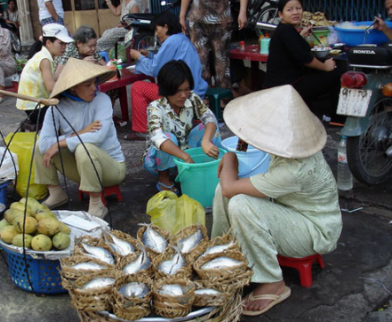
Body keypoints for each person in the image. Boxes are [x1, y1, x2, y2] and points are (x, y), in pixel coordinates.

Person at [212, 85, 342, 316]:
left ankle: (274, 282)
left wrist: (230, 156)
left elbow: (231, 187)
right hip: (289, 208)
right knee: (221, 190)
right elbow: (227, 187)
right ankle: (222, 256)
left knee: (238, 201)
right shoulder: (291, 145)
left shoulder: (295, 170)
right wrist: (244, 138)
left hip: (315, 229)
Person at [35, 58, 126, 217]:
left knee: (85, 149)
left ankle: (97, 204)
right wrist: (77, 134)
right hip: (83, 167)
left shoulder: (102, 100)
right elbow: (44, 143)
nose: (94, 88)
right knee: (38, 146)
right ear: (72, 89)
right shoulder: (56, 107)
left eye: (94, 83)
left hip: (112, 168)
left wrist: (61, 142)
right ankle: (56, 192)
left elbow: (98, 136)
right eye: (87, 85)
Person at [125, 11, 208, 141]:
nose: (157, 34)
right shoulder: (182, 38)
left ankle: (141, 130)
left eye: (157, 29)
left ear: (166, 27)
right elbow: (164, 61)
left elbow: (155, 70)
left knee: (137, 87)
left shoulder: (171, 41)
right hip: (196, 90)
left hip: (182, 94)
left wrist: (139, 57)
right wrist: (149, 55)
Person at [143, 60, 221, 193]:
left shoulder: (192, 98)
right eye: (178, 91)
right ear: (167, 89)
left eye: (186, 89)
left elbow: (210, 118)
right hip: (159, 161)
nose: (183, 95)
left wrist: (205, 141)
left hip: (186, 152)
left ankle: (211, 167)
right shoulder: (155, 107)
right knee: (167, 138)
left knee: (210, 129)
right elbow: (157, 138)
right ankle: (164, 179)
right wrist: (185, 157)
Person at [262, 0, 344, 120]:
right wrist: (325, 67)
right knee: (337, 73)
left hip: (284, 84)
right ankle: (337, 119)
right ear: (281, 14)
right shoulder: (286, 31)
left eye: (298, 8)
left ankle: (319, 112)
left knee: (322, 75)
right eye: (289, 10)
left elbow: (293, 48)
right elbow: (306, 60)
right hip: (287, 88)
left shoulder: (285, 30)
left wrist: (301, 35)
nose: (295, 12)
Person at [179, 0, 248, 90]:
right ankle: (202, 96)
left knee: (222, 64)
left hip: (222, 20)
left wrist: (242, 12)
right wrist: (182, 15)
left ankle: (223, 96)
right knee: (200, 63)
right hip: (197, 19)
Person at [16, 24, 73, 125]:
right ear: (48, 43)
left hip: (33, 105)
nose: (64, 47)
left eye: (65, 44)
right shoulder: (44, 59)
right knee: (70, 108)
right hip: (36, 108)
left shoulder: (42, 56)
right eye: (61, 43)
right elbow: (51, 87)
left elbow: (52, 77)